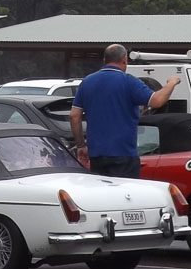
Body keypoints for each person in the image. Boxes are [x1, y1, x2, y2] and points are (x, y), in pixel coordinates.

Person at [69, 44, 180, 178]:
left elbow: (74, 116)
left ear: (104, 60)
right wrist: (171, 83)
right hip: (124, 155)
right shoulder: (129, 82)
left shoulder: (87, 82)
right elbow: (157, 101)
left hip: (97, 156)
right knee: (124, 195)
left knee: (101, 196)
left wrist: (81, 145)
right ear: (124, 60)